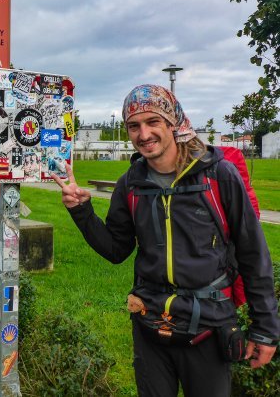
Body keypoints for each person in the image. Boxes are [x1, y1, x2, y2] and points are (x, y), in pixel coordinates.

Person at [52, 84, 278, 397]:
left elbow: (253, 253)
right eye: (134, 126)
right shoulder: (130, 183)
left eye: (152, 122)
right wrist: (81, 211)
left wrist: (265, 328)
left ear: (172, 123)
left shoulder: (218, 176)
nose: (143, 134)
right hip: (150, 323)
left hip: (209, 327)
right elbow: (116, 250)